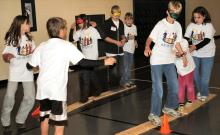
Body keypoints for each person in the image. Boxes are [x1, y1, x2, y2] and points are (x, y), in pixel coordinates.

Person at [27, 17, 116, 135]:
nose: (65, 30)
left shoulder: (42, 45)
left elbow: (29, 65)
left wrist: (44, 65)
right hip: (56, 90)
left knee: (44, 118)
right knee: (59, 125)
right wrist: (104, 62)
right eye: (65, 28)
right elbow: (83, 62)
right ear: (61, 30)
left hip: (43, 88)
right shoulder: (66, 45)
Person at [144, 0, 187, 126]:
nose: (174, 16)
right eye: (172, 13)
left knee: (175, 86)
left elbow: (177, 43)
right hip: (157, 60)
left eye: (177, 14)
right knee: (158, 89)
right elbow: (149, 38)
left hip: (169, 60)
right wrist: (147, 47)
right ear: (167, 11)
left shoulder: (178, 26)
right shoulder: (160, 25)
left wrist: (183, 56)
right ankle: (153, 114)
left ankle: (169, 107)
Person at [1, 15, 35, 133]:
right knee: (9, 97)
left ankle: (20, 119)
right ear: (21, 24)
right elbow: (5, 54)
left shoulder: (29, 39)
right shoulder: (12, 38)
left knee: (30, 98)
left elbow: (34, 53)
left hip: (27, 72)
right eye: (27, 23)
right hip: (15, 72)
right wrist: (7, 56)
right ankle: (5, 121)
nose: (29, 25)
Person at [69, 14, 103, 103]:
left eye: (80, 21)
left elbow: (103, 36)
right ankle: (98, 89)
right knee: (91, 74)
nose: (79, 24)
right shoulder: (79, 32)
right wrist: (72, 29)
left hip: (93, 57)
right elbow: (71, 39)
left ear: (85, 21)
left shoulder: (93, 30)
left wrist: (97, 26)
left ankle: (84, 97)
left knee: (85, 76)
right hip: (85, 58)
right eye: (78, 22)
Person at [184, 6, 216, 102]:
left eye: (199, 17)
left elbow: (206, 40)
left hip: (208, 54)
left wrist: (194, 47)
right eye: (195, 17)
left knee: (205, 77)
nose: (196, 19)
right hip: (195, 54)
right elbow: (185, 38)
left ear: (204, 16)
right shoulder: (191, 26)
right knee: (195, 75)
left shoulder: (209, 26)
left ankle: (204, 93)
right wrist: (183, 45)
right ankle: (201, 91)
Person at [103, 5, 127, 89]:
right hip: (110, 51)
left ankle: (118, 84)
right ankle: (113, 87)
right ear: (111, 13)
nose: (117, 17)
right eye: (115, 15)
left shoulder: (120, 22)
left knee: (121, 71)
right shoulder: (107, 23)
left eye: (118, 15)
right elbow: (105, 37)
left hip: (120, 51)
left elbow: (122, 35)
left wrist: (123, 40)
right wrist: (116, 42)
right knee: (113, 71)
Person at [174, 39, 195, 110]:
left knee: (186, 85)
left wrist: (176, 54)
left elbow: (182, 53)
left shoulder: (183, 42)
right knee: (184, 85)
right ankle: (184, 101)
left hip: (187, 67)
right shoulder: (174, 43)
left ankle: (187, 101)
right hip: (182, 69)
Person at [121, 12, 137, 87]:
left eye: (131, 19)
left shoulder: (134, 27)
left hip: (131, 49)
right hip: (125, 49)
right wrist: (127, 38)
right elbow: (122, 38)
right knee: (126, 66)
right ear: (125, 20)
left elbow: (134, 37)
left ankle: (128, 80)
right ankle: (125, 81)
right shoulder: (123, 27)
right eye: (128, 19)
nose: (129, 21)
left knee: (130, 66)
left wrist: (135, 42)